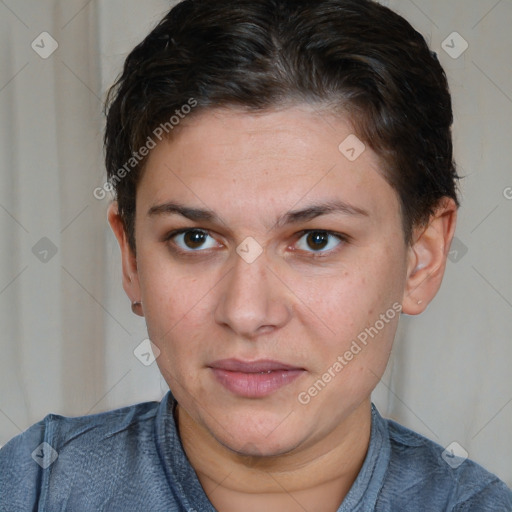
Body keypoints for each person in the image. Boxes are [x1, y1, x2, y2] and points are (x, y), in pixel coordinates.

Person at [1, 0, 511, 510]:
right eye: (194, 238)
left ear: (421, 258)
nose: (246, 313)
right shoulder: (34, 488)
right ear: (131, 257)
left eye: (316, 239)